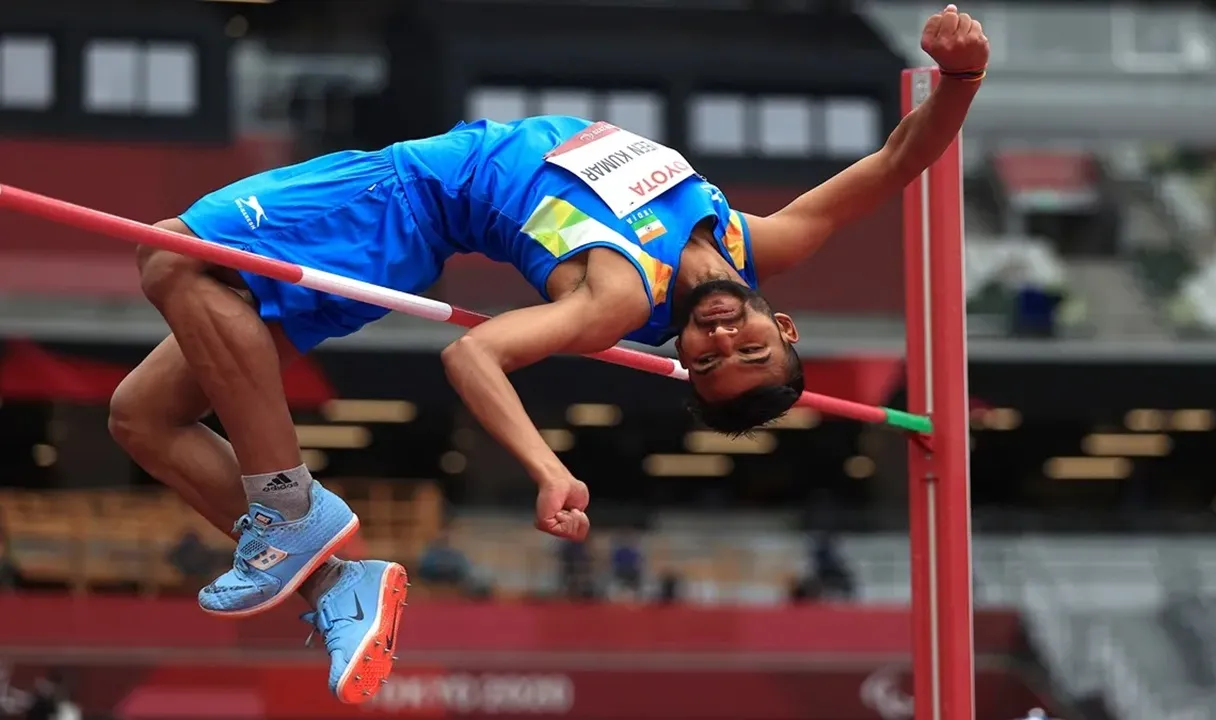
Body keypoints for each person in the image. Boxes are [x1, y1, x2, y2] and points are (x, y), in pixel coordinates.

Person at [106, 3, 987, 704]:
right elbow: (895, 159)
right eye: (744, 345)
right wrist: (960, 76)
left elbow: (474, 357)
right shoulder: (760, 242)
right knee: (143, 415)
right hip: (402, 226)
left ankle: (288, 508)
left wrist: (545, 468)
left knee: (174, 253)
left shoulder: (619, 297)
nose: (721, 338)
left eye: (709, 359)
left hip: (406, 196)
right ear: (781, 326)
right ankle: (336, 585)